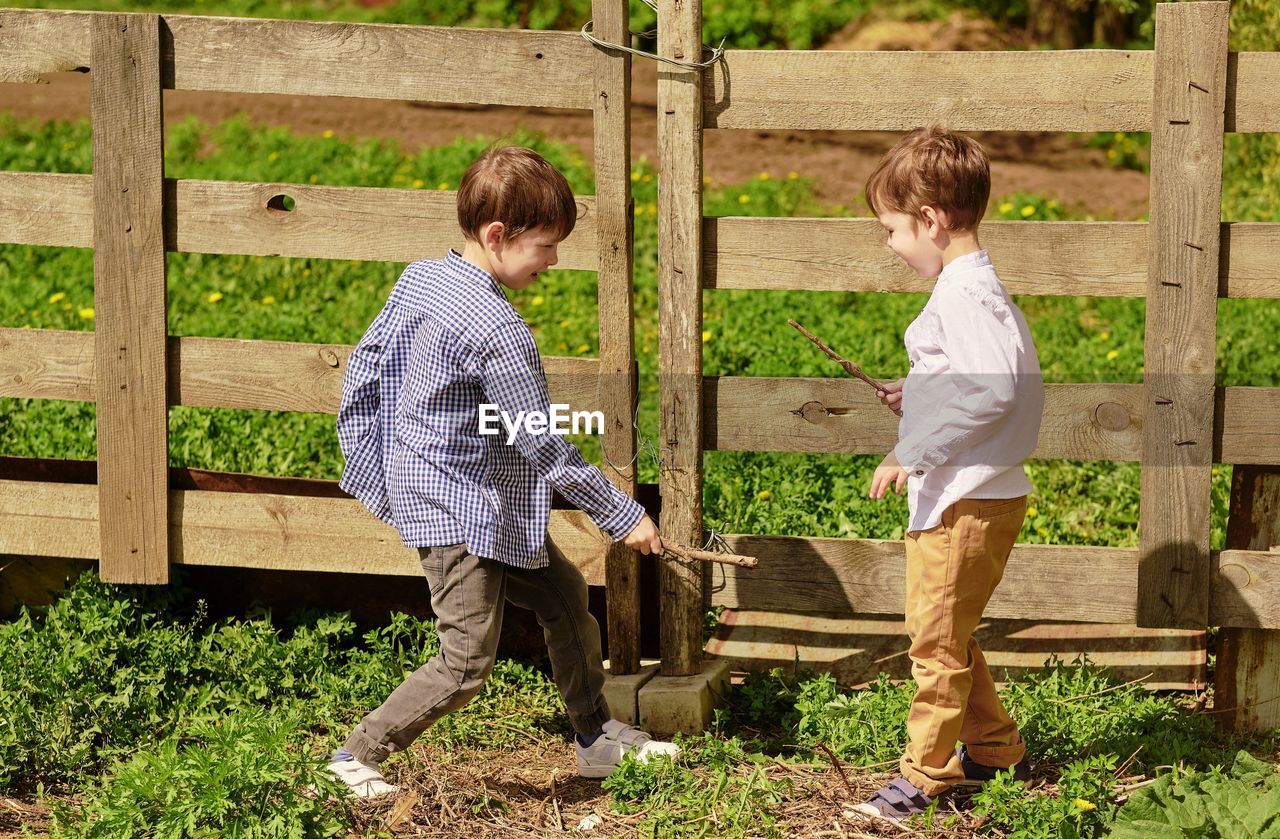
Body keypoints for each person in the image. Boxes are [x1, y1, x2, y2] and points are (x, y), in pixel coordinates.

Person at [326, 145, 677, 798]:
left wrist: (390, 451)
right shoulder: (497, 329)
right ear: (497, 235)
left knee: (567, 598)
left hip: (487, 497)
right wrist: (622, 514)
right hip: (458, 510)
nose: (551, 261)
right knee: (465, 662)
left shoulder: (421, 278)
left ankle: (595, 737)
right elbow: (545, 446)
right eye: (545, 245)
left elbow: (370, 366)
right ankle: (354, 755)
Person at [852, 126, 1044, 823]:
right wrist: (923, 394)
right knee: (951, 632)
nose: (892, 243)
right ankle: (993, 748)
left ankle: (923, 774)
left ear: (929, 220)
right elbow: (995, 380)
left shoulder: (964, 295)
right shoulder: (980, 289)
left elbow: (992, 392)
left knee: (933, 642)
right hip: (980, 495)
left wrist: (913, 447)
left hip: (964, 499)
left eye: (893, 229)